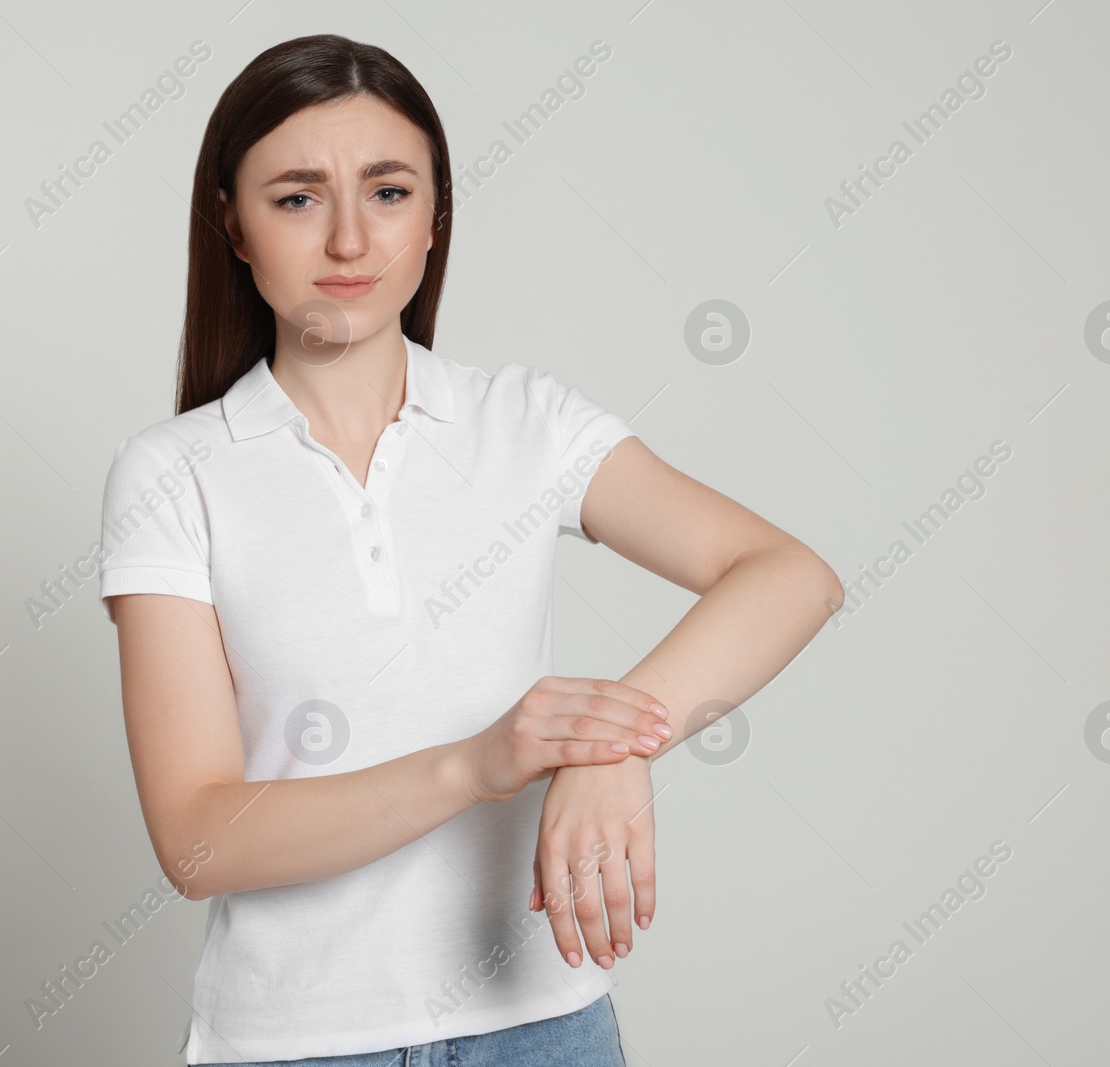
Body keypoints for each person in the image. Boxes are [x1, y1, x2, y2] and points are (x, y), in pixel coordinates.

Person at [98, 33, 843, 1067]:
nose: (351, 241)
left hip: (546, 1028)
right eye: (299, 197)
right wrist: (476, 763)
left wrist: (611, 742)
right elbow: (198, 837)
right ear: (232, 222)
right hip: (298, 1042)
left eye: (390, 191)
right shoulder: (173, 474)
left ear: (436, 215)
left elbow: (790, 575)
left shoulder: (526, 422)